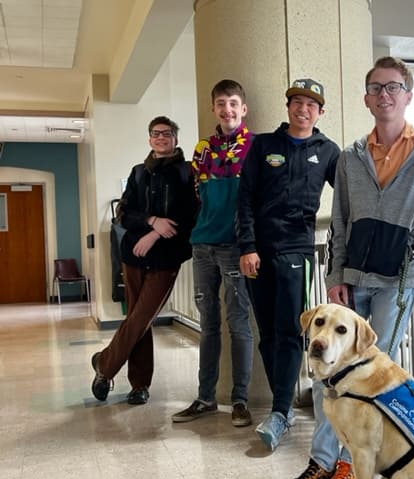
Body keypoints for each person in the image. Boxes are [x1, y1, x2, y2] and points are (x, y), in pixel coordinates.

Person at [295, 57, 414, 479]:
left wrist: (403, 250)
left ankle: (351, 459)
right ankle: (322, 462)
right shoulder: (350, 157)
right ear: (366, 98)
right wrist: (336, 276)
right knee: (332, 370)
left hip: (397, 284)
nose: (385, 95)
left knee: (369, 371)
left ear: (408, 96)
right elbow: (340, 222)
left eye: (393, 87)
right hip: (353, 279)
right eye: (377, 88)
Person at [236, 78, 340, 451]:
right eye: (297, 102)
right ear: (288, 107)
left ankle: (280, 410)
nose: (303, 109)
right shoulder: (263, 145)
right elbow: (244, 198)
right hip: (257, 253)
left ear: (320, 112)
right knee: (267, 332)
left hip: (297, 252)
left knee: (291, 330)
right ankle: (283, 405)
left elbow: (347, 195)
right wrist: (247, 246)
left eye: (311, 105)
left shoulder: (328, 151)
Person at [91, 115, 198, 405]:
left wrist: (154, 235)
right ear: (149, 139)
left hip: (166, 257)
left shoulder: (188, 173)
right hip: (133, 255)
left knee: (141, 316)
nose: (160, 138)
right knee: (138, 321)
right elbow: (123, 213)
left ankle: (104, 364)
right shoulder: (139, 172)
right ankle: (139, 385)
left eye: (166, 133)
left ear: (176, 138)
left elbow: (188, 218)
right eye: (155, 133)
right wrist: (151, 221)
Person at [172, 79, 255, 427]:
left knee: (238, 323)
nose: (228, 110)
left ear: (243, 108)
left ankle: (240, 400)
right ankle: (206, 397)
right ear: (213, 108)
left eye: (233, 103)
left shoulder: (253, 146)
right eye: (221, 103)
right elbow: (197, 197)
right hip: (202, 245)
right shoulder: (202, 149)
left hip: (235, 246)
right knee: (208, 325)